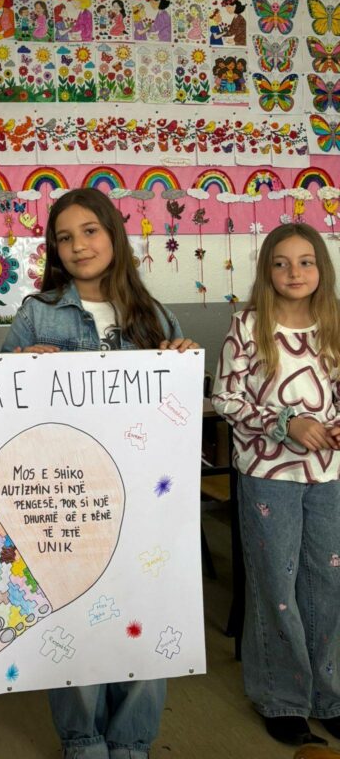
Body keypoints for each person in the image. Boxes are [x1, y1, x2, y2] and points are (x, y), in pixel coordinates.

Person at [1, 187, 198, 759]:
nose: (78, 245)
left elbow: (175, 408)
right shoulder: (36, 313)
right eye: (65, 237)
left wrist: (182, 358)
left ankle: (131, 739)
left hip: (143, 491)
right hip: (66, 493)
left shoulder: (154, 315)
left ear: (114, 234)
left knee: (145, 604)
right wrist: (15, 369)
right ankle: (83, 738)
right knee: (75, 612)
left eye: (89, 231)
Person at [212, 223, 340, 749]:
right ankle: (282, 698)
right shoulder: (247, 326)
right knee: (277, 589)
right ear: (267, 270)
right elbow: (225, 398)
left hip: (328, 476)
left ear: (321, 269)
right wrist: (286, 423)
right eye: (281, 262)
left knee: (327, 586)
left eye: (306, 261)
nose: (294, 272)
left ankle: (328, 697)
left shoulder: (334, 323)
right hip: (269, 478)